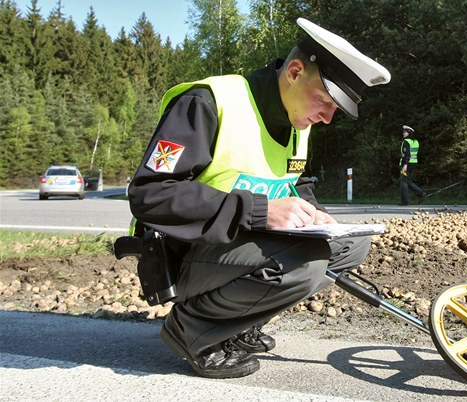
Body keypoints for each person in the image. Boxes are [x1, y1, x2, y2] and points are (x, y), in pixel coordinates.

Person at [126, 18, 391, 379]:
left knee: (353, 245)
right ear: (295, 72)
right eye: (325, 101)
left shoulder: (298, 121)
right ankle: (192, 330)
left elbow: (295, 181)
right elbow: (150, 195)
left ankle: (235, 324)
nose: (328, 118)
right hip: (179, 251)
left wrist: (317, 214)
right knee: (306, 262)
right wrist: (260, 211)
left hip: (232, 244)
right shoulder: (207, 102)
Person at [399, 124, 425, 205]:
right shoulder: (416, 142)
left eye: (405, 132)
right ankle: (420, 193)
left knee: (403, 182)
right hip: (413, 163)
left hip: (406, 164)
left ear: (409, 133)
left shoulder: (406, 141)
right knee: (408, 181)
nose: (403, 133)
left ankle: (404, 202)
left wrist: (405, 165)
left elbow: (407, 154)